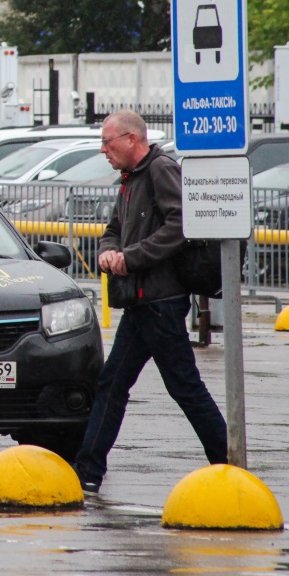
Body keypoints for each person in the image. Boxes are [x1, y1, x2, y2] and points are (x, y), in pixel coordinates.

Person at [73, 110, 227, 494]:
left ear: (131, 139)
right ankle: (88, 471)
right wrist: (110, 252)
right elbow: (112, 230)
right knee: (112, 384)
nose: (103, 150)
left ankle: (229, 460)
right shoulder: (129, 178)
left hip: (161, 302)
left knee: (183, 386)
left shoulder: (160, 170)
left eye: (107, 142)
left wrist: (133, 257)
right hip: (140, 302)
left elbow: (182, 223)